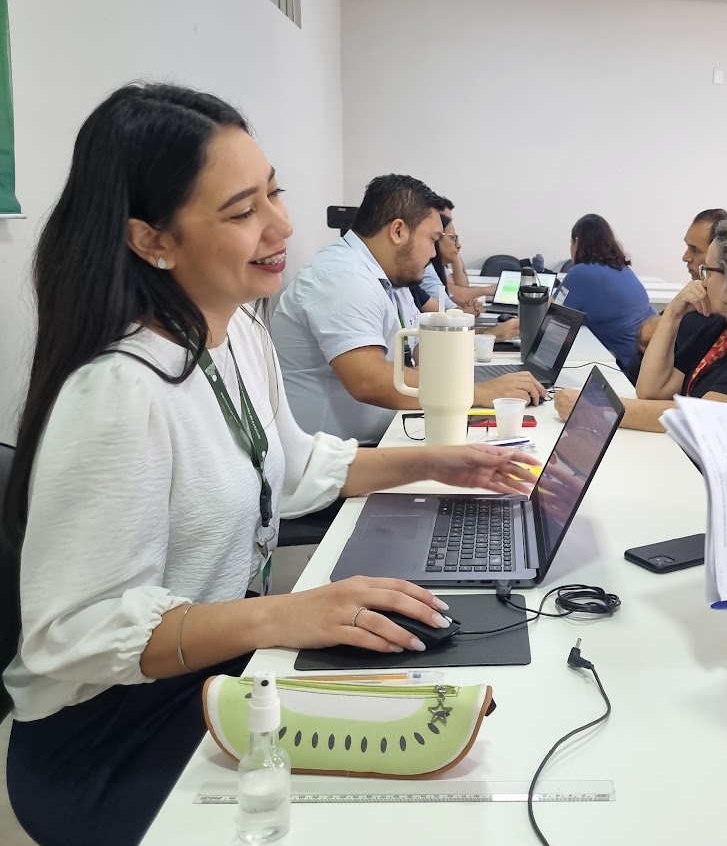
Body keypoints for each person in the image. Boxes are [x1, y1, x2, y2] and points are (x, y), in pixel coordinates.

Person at [1, 84, 538, 846]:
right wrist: (284, 613)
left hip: (216, 673)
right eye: (242, 211)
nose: (281, 225)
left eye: (274, 193)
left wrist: (435, 461)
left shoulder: (236, 335)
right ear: (152, 239)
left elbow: (290, 467)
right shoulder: (118, 391)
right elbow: (78, 634)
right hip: (111, 732)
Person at [271, 175, 545, 444]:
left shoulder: (391, 279)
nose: (434, 254)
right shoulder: (342, 278)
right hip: (343, 457)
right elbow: (369, 380)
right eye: (432, 239)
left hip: (388, 436)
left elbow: (418, 350)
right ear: (398, 231)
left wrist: (475, 375)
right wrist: (476, 392)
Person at [559, 217, 727, 432]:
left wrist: (596, 407)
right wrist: (673, 314)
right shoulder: (725, 326)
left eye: (707, 270)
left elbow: (701, 420)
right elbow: (651, 391)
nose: (702, 280)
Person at [621, 208, 727, 384]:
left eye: (694, 250)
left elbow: (647, 335)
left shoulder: (712, 315)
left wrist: (671, 314)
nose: (685, 257)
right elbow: (645, 334)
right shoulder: (694, 299)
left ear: (718, 255)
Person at [553, 213, 655, 363]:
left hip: (630, 365)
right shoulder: (624, 269)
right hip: (650, 356)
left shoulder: (581, 273)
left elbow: (552, 318)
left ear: (577, 241)